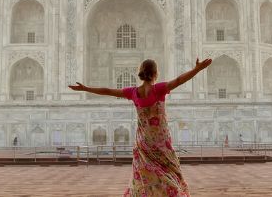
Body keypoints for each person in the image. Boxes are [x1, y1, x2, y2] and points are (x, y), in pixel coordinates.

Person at [70, 57, 212, 196]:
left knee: (145, 173)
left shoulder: (133, 92)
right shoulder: (158, 89)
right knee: (169, 170)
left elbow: (108, 91)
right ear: (155, 73)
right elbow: (179, 80)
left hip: (143, 141)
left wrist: (86, 88)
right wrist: (197, 69)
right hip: (161, 141)